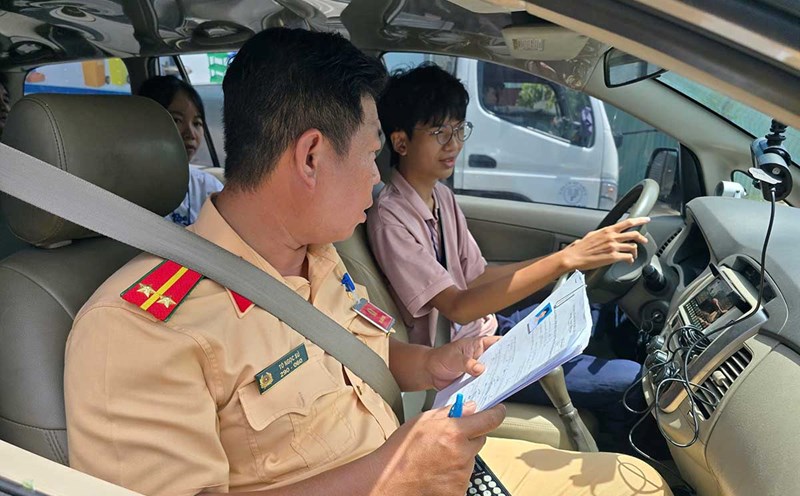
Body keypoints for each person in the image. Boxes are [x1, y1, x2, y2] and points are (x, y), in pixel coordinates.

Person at [64, 28, 671, 496]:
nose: (375, 183)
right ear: (310, 157)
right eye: (370, 157)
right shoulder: (139, 327)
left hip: (419, 467)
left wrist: (434, 363)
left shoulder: (318, 257)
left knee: (626, 477)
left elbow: (365, 353)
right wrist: (392, 471)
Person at [366, 64, 646, 451]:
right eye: (439, 133)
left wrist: (564, 261)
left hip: (487, 327)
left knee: (611, 314)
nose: (454, 144)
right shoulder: (391, 220)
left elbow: (477, 279)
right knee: (629, 381)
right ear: (400, 143)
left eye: (459, 129)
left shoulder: (441, 197)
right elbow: (458, 307)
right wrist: (566, 259)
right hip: (465, 361)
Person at [138, 75, 223, 226]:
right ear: (146, 123)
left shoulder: (208, 188)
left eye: (197, 123)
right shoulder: (126, 192)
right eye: (176, 120)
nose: (190, 134)